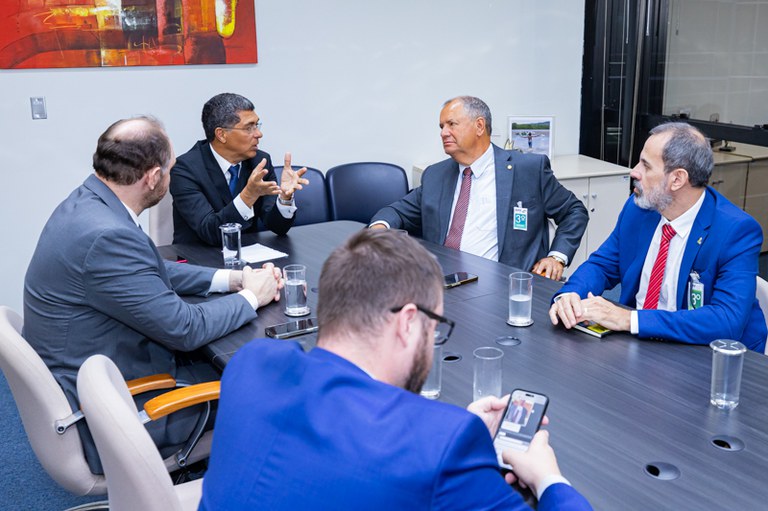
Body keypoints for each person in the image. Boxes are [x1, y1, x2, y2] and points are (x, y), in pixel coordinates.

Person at [199, 229, 593, 510]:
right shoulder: (442, 444)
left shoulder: (251, 364)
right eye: (434, 327)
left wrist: (443, 425)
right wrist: (548, 479)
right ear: (408, 323)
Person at [23, 116, 283, 473]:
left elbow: (150, 268)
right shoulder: (106, 236)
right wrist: (252, 297)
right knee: (274, 391)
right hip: (119, 410)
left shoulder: (89, 204)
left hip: (97, 378)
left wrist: (231, 279)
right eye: (171, 168)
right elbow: (185, 329)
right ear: (153, 177)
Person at [550, 122, 766, 352]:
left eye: (645, 166)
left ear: (677, 179)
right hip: (642, 347)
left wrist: (630, 319)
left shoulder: (736, 231)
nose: (634, 172)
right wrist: (571, 294)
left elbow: (727, 320)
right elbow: (602, 265)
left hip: (712, 359)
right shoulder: (639, 210)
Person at [370, 96, 588, 281]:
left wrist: (556, 257)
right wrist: (379, 229)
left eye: (451, 124)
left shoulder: (528, 170)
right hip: (444, 283)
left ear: (479, 126)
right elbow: (396, 211)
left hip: (504, 284)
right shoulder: (436, 175)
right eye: (441, 126)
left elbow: (574, 211)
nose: (443, 132)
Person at [170, 92, 309, 245]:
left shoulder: (260, 162)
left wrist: (285, 198)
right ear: (221, 134)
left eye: (257, 125)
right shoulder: (185, 170)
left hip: (249, 257)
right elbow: (210, 231)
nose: (259, 134)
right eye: (249, 128)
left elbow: (277, 227)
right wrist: (248, 196)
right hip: (198, 258)